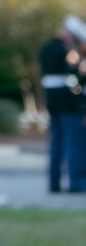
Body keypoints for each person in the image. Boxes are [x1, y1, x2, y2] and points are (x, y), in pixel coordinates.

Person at [38, 14, 86, 193]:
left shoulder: (44, 49)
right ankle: (77, 182)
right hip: (68, 103)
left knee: (56, 142)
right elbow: (74, 78)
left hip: (52, 102)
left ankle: (54, 183)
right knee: (75, 141)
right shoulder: (67, 52)